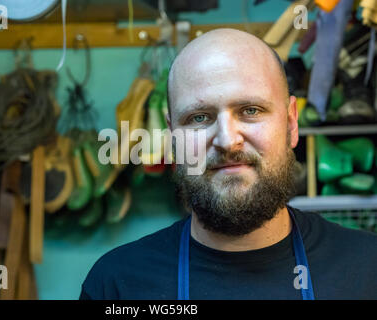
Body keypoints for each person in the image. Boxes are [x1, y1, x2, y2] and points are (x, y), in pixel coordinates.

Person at [79, 28, 377, 300]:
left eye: (250, 110)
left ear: (290, 123)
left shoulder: (367, 270)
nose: (226, 140)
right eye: (199, 118)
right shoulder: (117, 286)